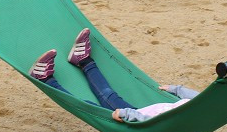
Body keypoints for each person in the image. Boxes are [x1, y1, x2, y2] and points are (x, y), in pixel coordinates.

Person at [27, 29, 198, 122]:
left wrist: (127, 114)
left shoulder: (203, 111)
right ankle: (84, 61)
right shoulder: (211, 103)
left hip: (137, 120)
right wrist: (177, 90)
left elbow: (159, 122)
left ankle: (46, 79)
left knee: (90, 105)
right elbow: (201, 98)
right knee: (108, 93)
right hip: (141, 112)